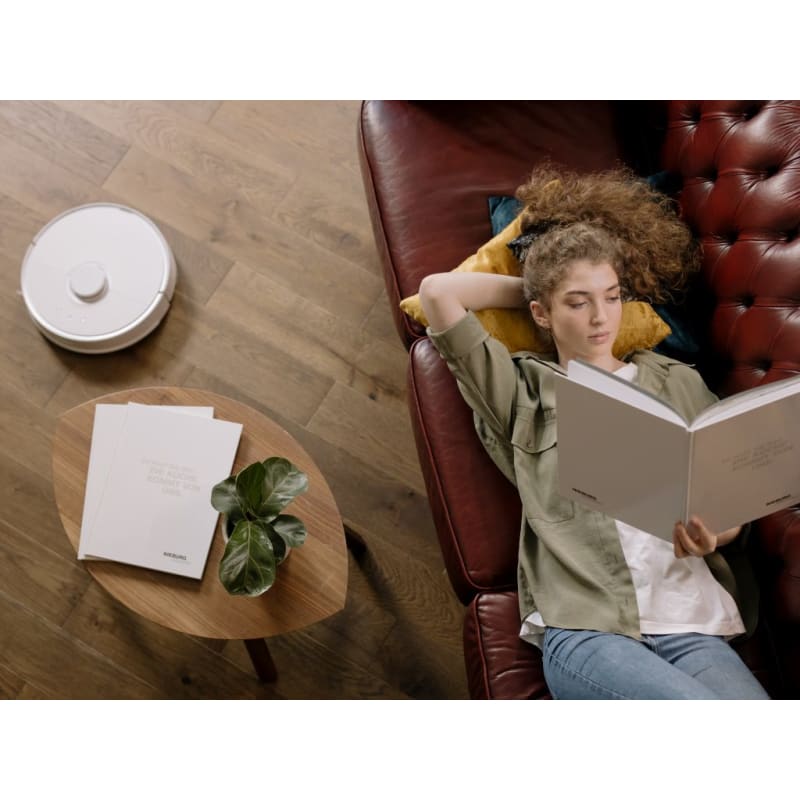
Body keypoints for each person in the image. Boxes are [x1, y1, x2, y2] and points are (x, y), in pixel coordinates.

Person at [419, 167, 769, 699]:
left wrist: (714, 535)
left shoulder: (676, 380)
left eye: (611, 296)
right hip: (589, 628)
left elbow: (728, 497)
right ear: (542, 313)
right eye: (579, 303)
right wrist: (541, 286)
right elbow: (437, 293)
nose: (601, 317)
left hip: (694, 626)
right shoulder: (523, 392)